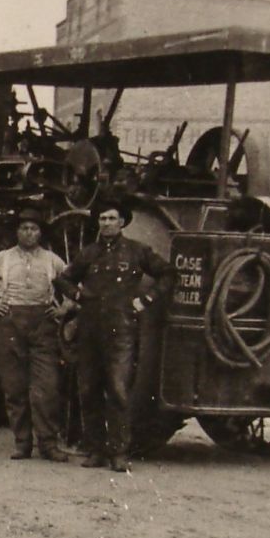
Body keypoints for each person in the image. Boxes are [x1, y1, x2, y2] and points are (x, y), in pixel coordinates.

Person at [54, 200, 176, 473]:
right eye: (102, 219)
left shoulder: (137, 252)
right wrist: (77, 295)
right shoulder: (89, 254)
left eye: (112, 218)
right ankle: (96, 450)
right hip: (89, 332)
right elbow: (63, 279)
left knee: (119, 392)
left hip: (120, 331)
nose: (106, 223)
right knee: (88, 391)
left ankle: (118, 452)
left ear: (122, 222)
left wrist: (146, 300)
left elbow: (168, 273)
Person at [0, 207, 69, 462]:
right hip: (9, 326)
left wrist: (65, 308)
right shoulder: (2, 259)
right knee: (14, 387)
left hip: (43, 327)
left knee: (46, 388)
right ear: (17, 232)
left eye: (34, 229)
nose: (29, 233)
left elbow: (77, 288)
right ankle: (22, 443)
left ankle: (48, 444)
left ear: (40, 233)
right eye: (24, 228)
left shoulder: (53, 260)